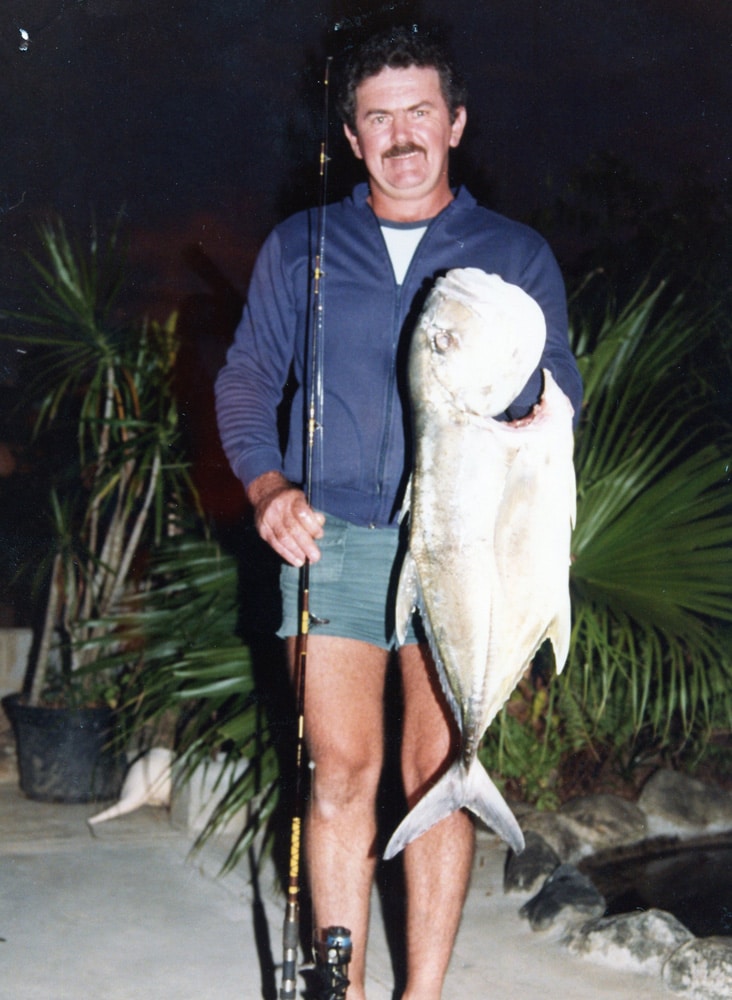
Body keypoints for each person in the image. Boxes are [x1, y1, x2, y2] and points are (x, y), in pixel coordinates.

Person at [215, 26, 583, 1000]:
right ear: (352, 133)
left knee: (435, 768)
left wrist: (517, 412)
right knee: (340, 768)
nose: (402, 134)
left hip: (461, 539)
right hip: (329, 532)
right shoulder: (302, 246)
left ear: (456, 123)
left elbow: (559, 397)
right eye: (378, 116)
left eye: (421, 111)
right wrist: (267, 487)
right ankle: (348, 992)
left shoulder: (513, 253)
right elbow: (249, 379)